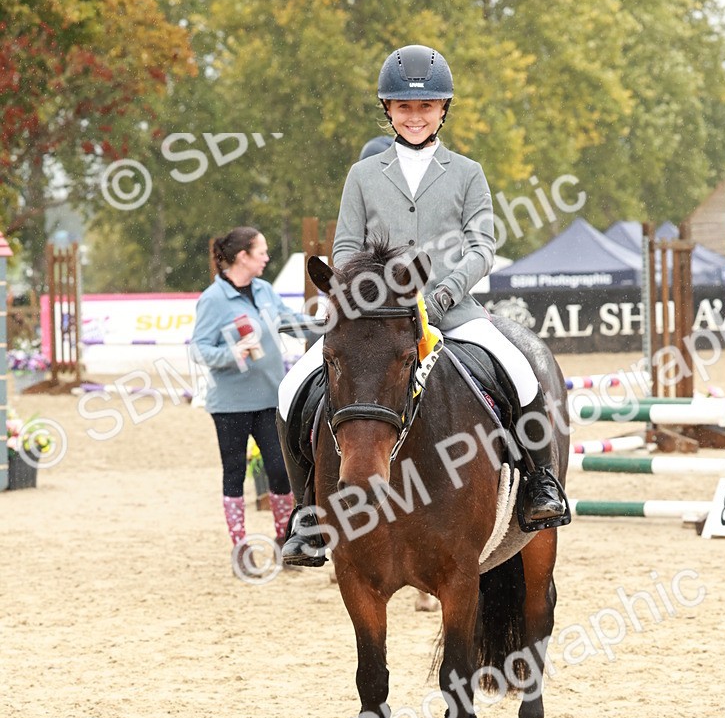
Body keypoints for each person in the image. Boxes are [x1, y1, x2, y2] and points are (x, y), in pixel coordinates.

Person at [279, 44, 567, 566]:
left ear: (443, 110)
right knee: (290, 387)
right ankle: (306, 513)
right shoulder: (362, 175)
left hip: (453, 311)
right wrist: (365, 292)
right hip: (376, 319)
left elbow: (482, 247)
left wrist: (443, 293)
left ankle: (541, 484)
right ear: (388, 110)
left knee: (522, 372)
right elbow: (346, 247)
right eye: (405, 107)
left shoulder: (467, 172)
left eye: (427, 107)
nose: (416, 116)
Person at [192, 226, 305, 578]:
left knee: (279, 471)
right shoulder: (213, 299)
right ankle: (241, 550)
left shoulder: (265, 290)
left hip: (270, 397)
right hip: (230, 404)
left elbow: (290, 321)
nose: (267, 258)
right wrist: (231, 353)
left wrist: (329, 321)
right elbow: (198, 348)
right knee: (235, 473)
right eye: (262, 252)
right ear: (243, 256)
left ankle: (286, 542)